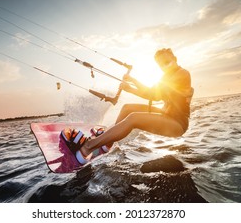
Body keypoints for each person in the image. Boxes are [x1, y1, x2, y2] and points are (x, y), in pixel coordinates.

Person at [61, 48, 194, 164]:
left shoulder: (183, 74)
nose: (165, 66)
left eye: (167, 62)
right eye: (161, 65)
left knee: (133, 118)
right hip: (166, 114)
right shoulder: (166, 76)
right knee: (127, 108)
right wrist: (132, 84)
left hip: (177, 123)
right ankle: (107, 142)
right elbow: (154, 93)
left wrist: (132, 85)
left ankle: (88, 147)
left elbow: (154, 95)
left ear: (175, 59)